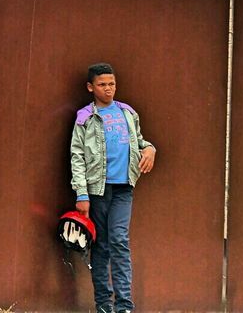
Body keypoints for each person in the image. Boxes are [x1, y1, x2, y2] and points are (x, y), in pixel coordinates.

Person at [69, 62, 156, 313]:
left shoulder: (127, 113)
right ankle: (104, 304)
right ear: (90, 87)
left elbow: (139, 142)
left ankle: (125, 305)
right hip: (97, 190)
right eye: (102, 84)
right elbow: (77, 157)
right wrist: (82, 194)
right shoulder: (85, 118)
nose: (108, 89)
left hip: (123, 189)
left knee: (119, 240)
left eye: (112, 84)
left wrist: (150, 148)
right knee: (102, 245)